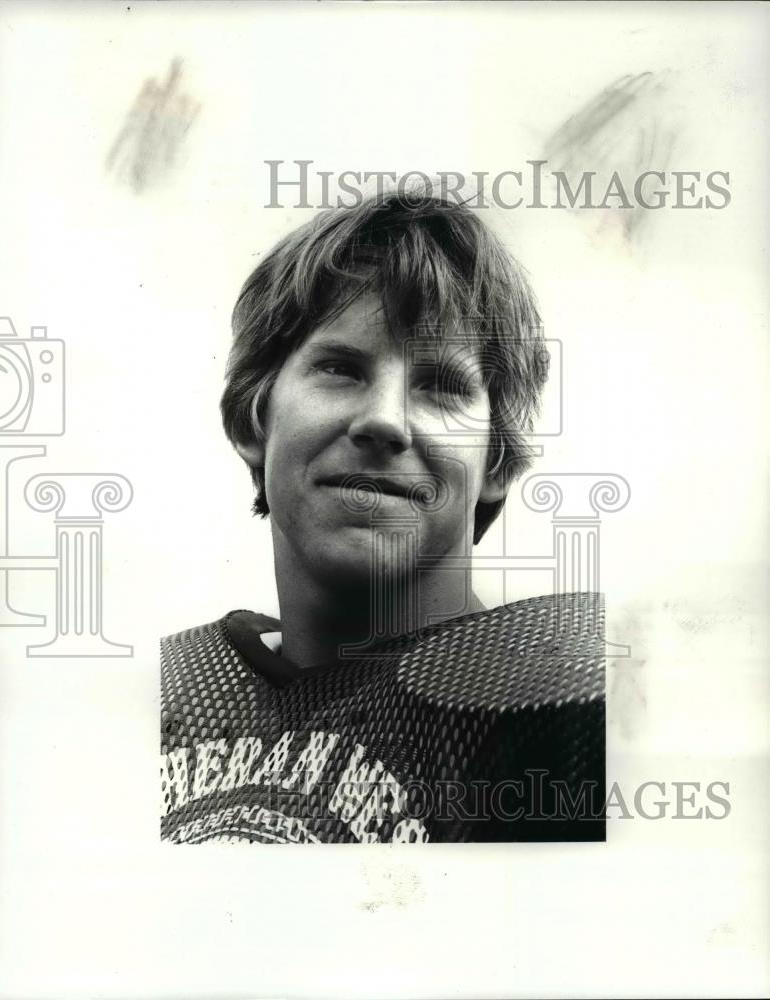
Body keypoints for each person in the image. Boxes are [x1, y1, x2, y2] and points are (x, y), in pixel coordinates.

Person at [160, 190, 605, 844]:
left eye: (440, 386)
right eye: (339, 368)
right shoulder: (165, 693)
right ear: (253, 418)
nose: (384, 420)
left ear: (498, 461)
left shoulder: (567, 716)